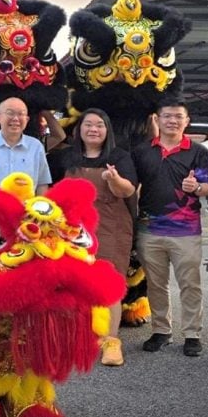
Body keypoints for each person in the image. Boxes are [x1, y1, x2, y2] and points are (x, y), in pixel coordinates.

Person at [54, 108, 138, 366]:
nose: (93, 129)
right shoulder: (66, 157)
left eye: (99, 125)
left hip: (111, 227)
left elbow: (128, 191)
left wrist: (114, 179)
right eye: (88, 124)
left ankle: (111, 341)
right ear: (79, 130)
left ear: (107, 129)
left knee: (109, 283)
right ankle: (79, 338)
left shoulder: (119, 156)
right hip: (74, 228)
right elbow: (51, 190)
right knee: (75, 284)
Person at [130, 99, 208, 357]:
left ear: (187, 121)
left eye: (178, 116)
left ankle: (192, 334)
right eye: (167, 116)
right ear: (157, 119)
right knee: (156, 284)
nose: (173, 121)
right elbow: (132, 187)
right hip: (149, 230)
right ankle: (161, 330)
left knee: (190, 284)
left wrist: (196, 188)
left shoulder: (198, 151)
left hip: (186, 231)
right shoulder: (142, 151)